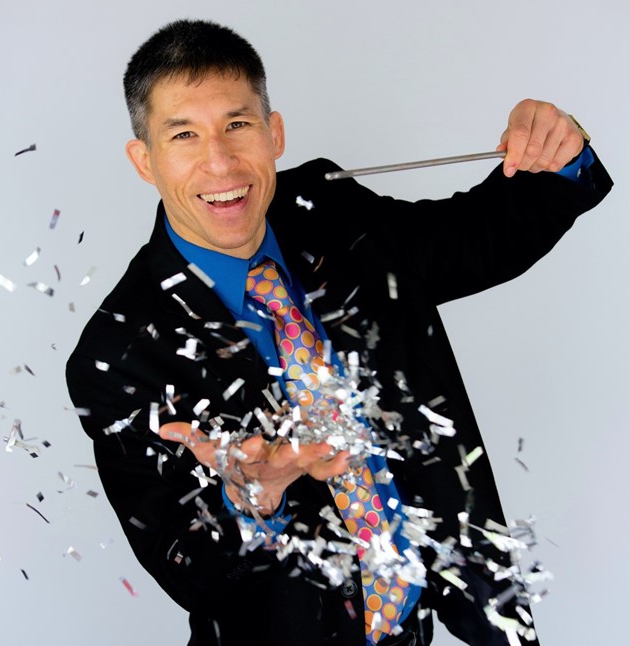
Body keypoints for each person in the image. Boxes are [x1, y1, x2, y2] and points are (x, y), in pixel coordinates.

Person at [65, 18, 613, 646]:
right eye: (184, 134)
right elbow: (187, 569)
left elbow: (476, 240)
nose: (220, 162)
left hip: (429, 622)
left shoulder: (329, 210)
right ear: (145, 161)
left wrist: (555, 151)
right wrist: (251, 501)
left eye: (237, 125)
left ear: (274, 133)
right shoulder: (116, 354)